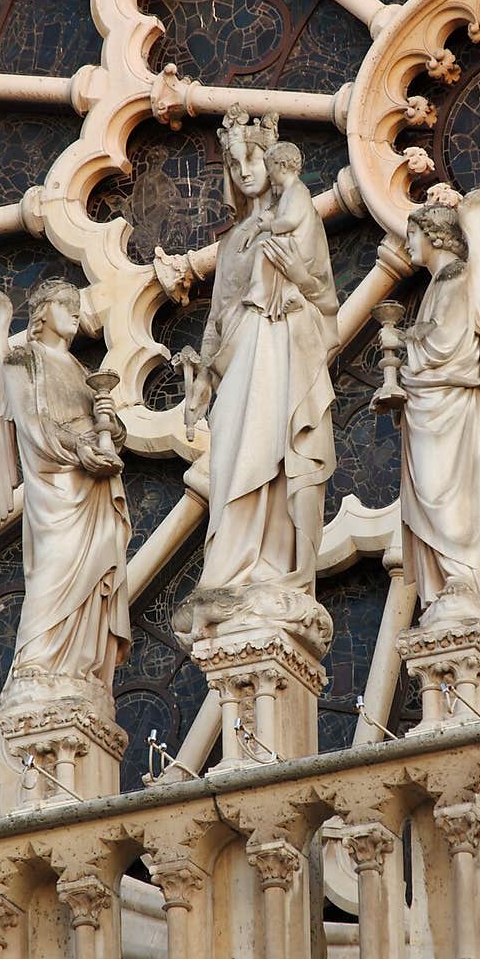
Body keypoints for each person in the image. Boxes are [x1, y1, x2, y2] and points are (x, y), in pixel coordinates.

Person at [179, 109, 338, 619]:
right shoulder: (231, 243)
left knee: (277, 445)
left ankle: (272, 564)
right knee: (232, 453)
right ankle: (231, 566)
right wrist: (204, 373)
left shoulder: (298, 215)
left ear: (273, 161)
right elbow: (219, 312)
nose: (244, 170)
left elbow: (322, 294)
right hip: (240, 349)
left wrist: (296, 276)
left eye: (252, 158)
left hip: (281, 341)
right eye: (233, 162)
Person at [0, 278, 131, 708]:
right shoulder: (21, 362)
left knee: (97, 570)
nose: (74, 313)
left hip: (94, 490)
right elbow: (35, 428)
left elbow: (104, 430)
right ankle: (38, 661)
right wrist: (83, 447)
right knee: (55, 570)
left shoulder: (83, 372)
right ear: (43, 312)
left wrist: (111, 425)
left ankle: (80, 665)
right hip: (58, 486)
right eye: (66, 305)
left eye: (75, 306)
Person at [398, 196, 480, 631]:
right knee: (434, 491)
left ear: (434, 235)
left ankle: (462, 574)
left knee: (446, 490)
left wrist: (405, 345)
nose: (407, 244)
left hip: (445, 401)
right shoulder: (438, 283)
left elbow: (446, 346)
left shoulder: (455, 277)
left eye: (412, 235)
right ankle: (444, 580)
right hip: (429, 403)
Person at [243, 141, 326, 321]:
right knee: (266, 251)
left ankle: (257, 294)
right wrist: (258, 227)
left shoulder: (298, 190)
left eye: (269, 168)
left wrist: (268, 227)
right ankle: (289, 294)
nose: (267, 174)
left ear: (282, 166)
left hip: (298, 250)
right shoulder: (289, 192)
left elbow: (291, 220)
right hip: (291, 247)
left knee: (262, 250)